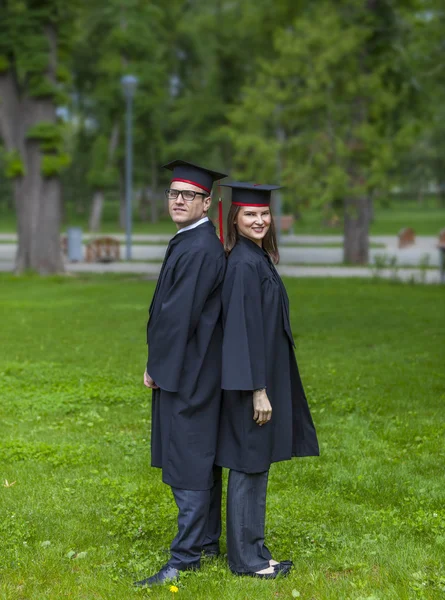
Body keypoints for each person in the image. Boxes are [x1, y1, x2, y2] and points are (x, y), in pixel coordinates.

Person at [215, 182, 320, 579]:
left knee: (256, 467)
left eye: (263, 214)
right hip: (250, 386)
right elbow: (241, 331)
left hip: (261, 380)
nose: (258, 220)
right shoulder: (243, 264)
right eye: (249, 214)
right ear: (235, 219)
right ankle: (246, 561)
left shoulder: (255, 257)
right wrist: (257, 390)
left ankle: (255, 550)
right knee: (247, 468)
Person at [135, 160, 227, 587]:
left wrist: (159, 367)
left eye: (188, 195)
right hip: (194, 367)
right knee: (199, 457)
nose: (178, 200)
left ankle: (186, 556)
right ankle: (206, 542)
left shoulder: (198, 247)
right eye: (173, 193)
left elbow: (179, 317)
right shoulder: (194, 241)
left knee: (188, 456)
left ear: (207, 201)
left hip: (188, 371)